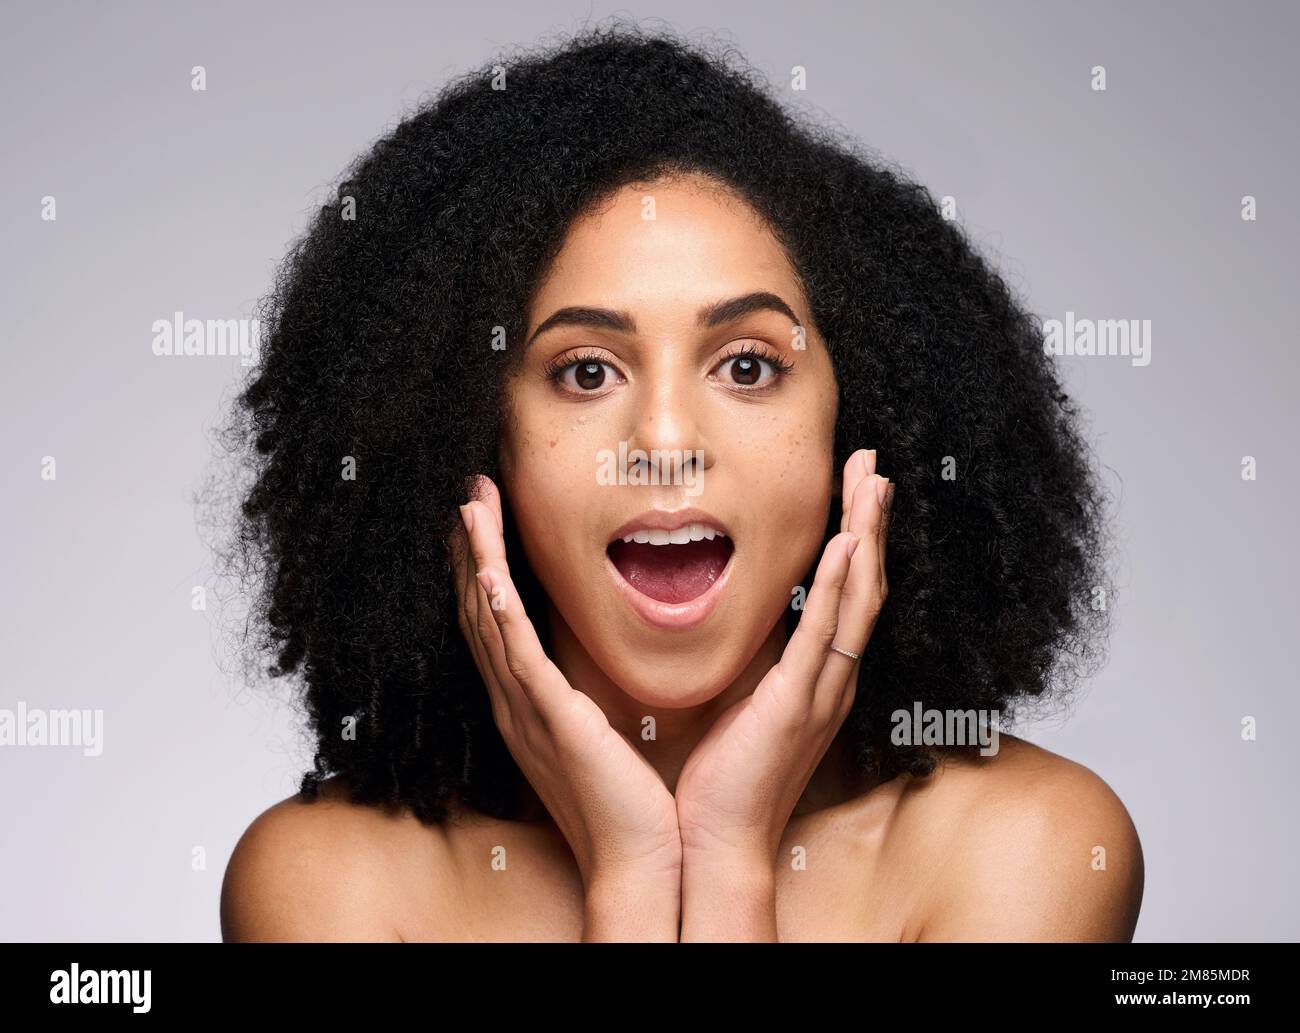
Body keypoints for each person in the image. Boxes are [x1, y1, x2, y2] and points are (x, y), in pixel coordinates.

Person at [218, 22, 1142, 942]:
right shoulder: (327, 886)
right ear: (467, 441)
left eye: (746, 366)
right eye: (585, 370)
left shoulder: (1028, 848)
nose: (664, 442)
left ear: (856, 430)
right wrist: (633, 875)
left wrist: (730, 854)